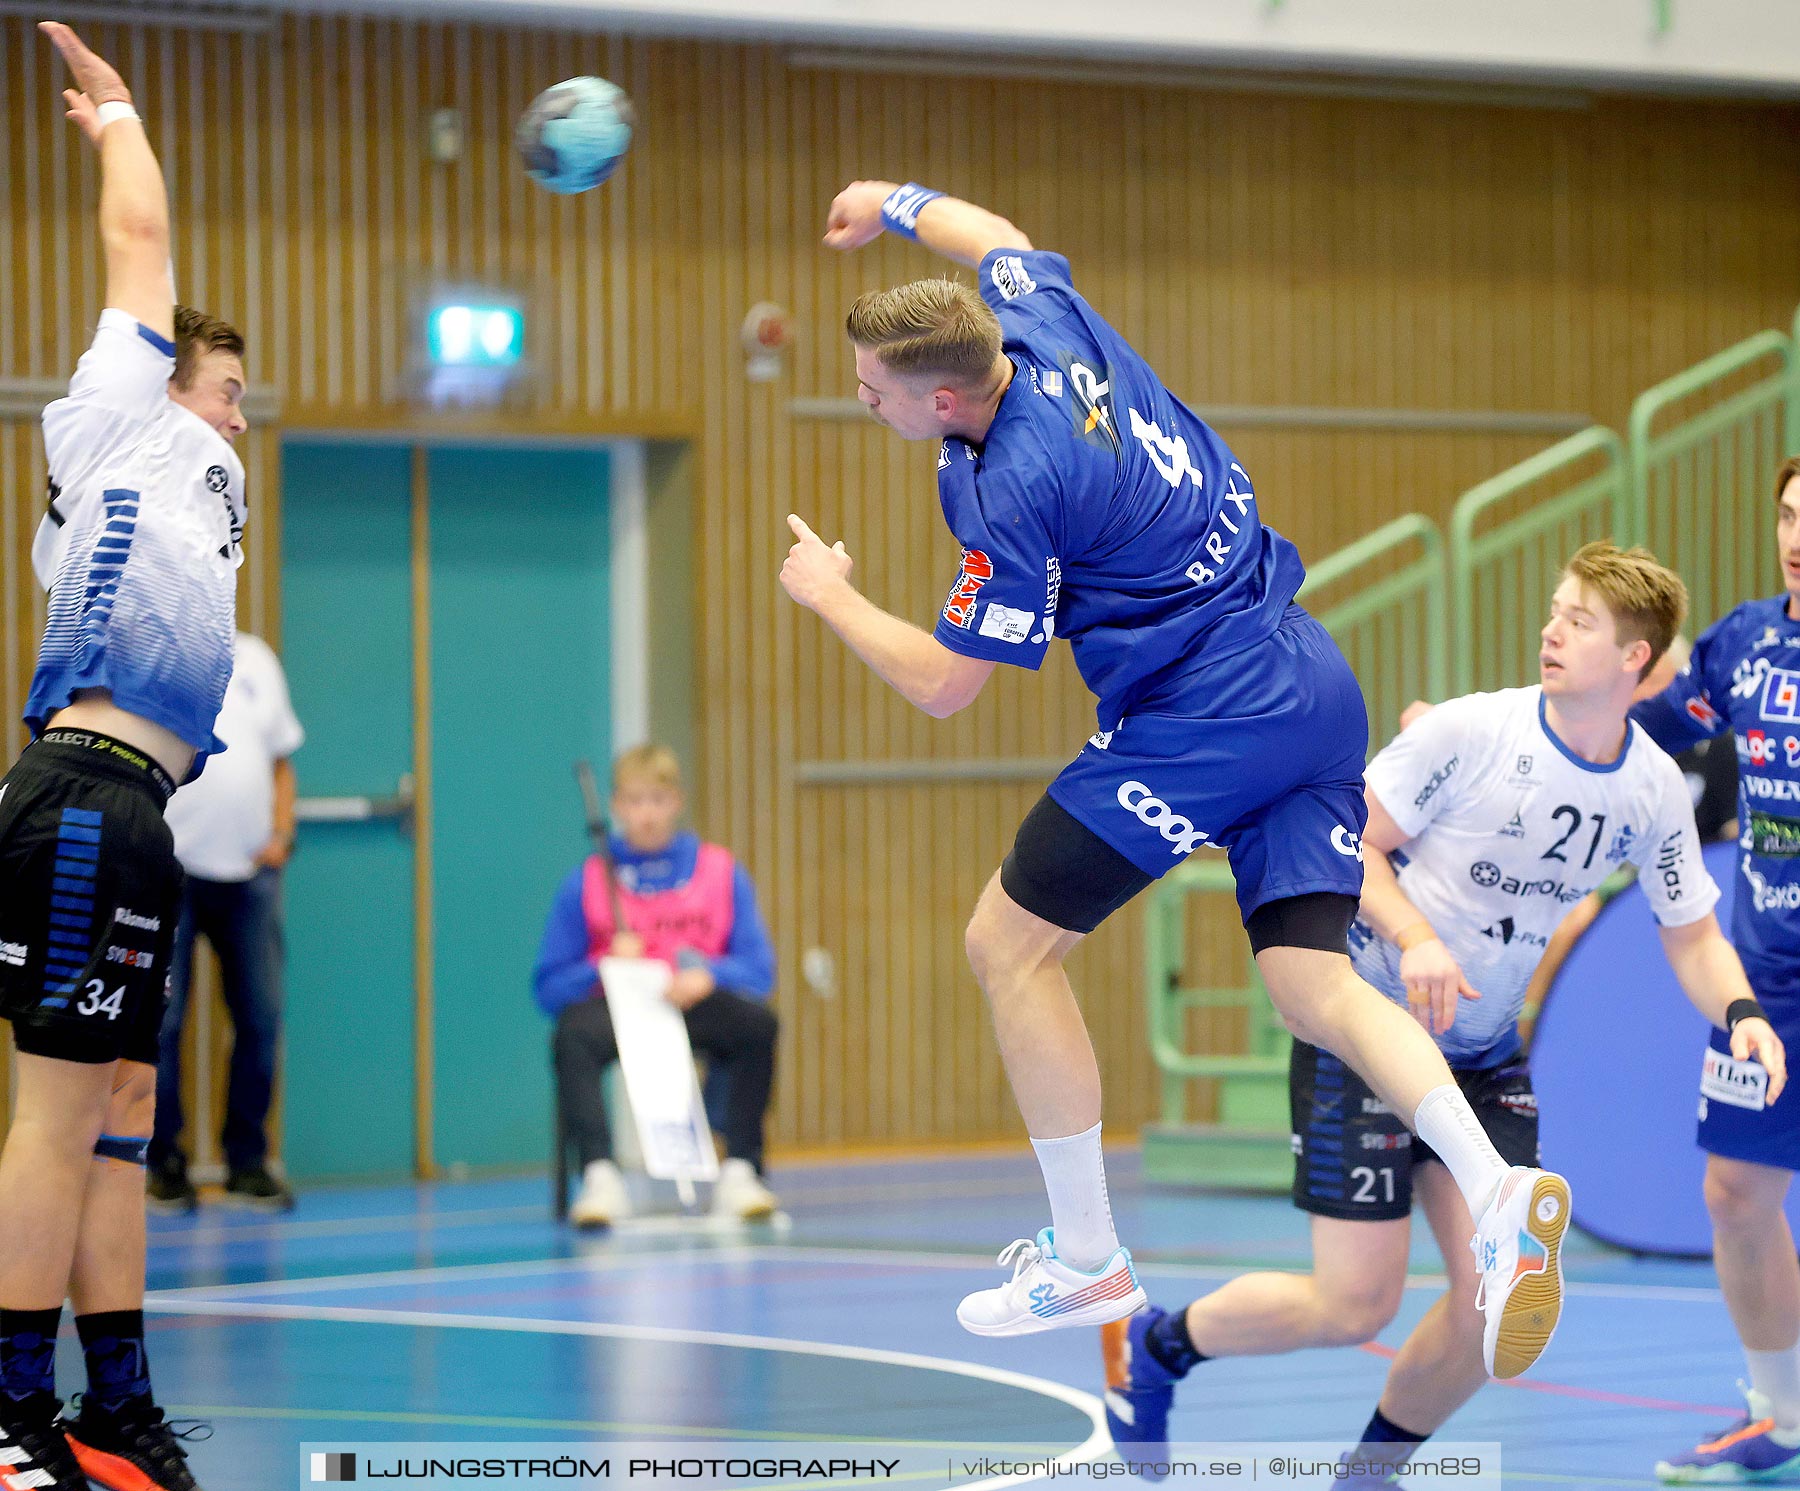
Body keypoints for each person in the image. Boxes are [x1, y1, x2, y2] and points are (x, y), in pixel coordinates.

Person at [780, 178, 1571, 1365]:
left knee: (1008, 945)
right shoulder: (1034, 315)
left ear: (941, 397)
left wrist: (834, 599)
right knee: (1314, 989)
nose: (861, 401)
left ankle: (1088, 1256)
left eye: (870, 391)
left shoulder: (1008, 486)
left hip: (1207, 711)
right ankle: (1496, 1191)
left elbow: (946, 683)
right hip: (1308, 674)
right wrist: (890, 201)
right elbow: (995, 236)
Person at [1099, 543, 1785, 1483]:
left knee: (1491, 1303)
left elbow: (1693, 937)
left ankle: (1367, 1472)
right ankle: (1158, 1345)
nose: (1551, 630)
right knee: (1354, 1306)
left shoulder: (1653, 790)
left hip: (1483, 1051)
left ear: (1634, 659)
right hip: (1370, 1027)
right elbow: (1352, 846)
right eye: (1555, 610)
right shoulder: (1470, 732)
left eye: (1579, 621)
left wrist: (1741, 1008)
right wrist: (1417, 935)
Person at [0, 23, 248, 1491]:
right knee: (50, 1111)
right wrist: (120, 123)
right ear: (156, 385)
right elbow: (140, 237)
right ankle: (13, 1409)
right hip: (80, 799)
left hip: (138, 811)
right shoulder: (117, 425)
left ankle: (112, 1403)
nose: (236, 413)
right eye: (222, 387)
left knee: (124, 1109)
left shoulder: (194, 481)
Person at [1632, 455, 1800, 1483]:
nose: (1799, 538)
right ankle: (1780, 1415)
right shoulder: (1742, 645)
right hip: (1768, 979)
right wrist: (1493, 735)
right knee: (1736, 1193)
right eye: (1788, 514)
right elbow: (1632, 734)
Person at [533, 745, 780, 1225]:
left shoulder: (720, 871)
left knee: (756, 1026)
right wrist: (602, 965)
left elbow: (759, 970)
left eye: (657, 800)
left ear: (677, 802)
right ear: (617, 806)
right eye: (634, 801)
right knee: (572, 1035)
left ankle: (741, 1170)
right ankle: (600, 1176)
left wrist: (711, 975)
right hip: (621, 1010)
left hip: (692, 1004)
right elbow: (548, 987)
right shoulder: (586, 881)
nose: (645, 814)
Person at [148, 632, 304, 1214]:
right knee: (161, 1025)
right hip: (172, 875)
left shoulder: (258, 657)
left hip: (251, 877)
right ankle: (165, 1162)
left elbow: (281, 763)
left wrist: (281, 834)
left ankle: (247, 1163)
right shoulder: (155, 651)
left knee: (261, 1018)